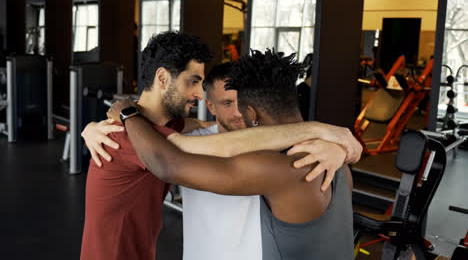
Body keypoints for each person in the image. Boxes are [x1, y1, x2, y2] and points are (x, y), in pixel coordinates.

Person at [80, 32, 362, 260]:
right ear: (163, 78)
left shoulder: (163, 131)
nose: (198, 95)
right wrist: (319, 131)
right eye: (193, 82)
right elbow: (174, 159)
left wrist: (332, 141)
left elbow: (202, 132)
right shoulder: (124, 135)